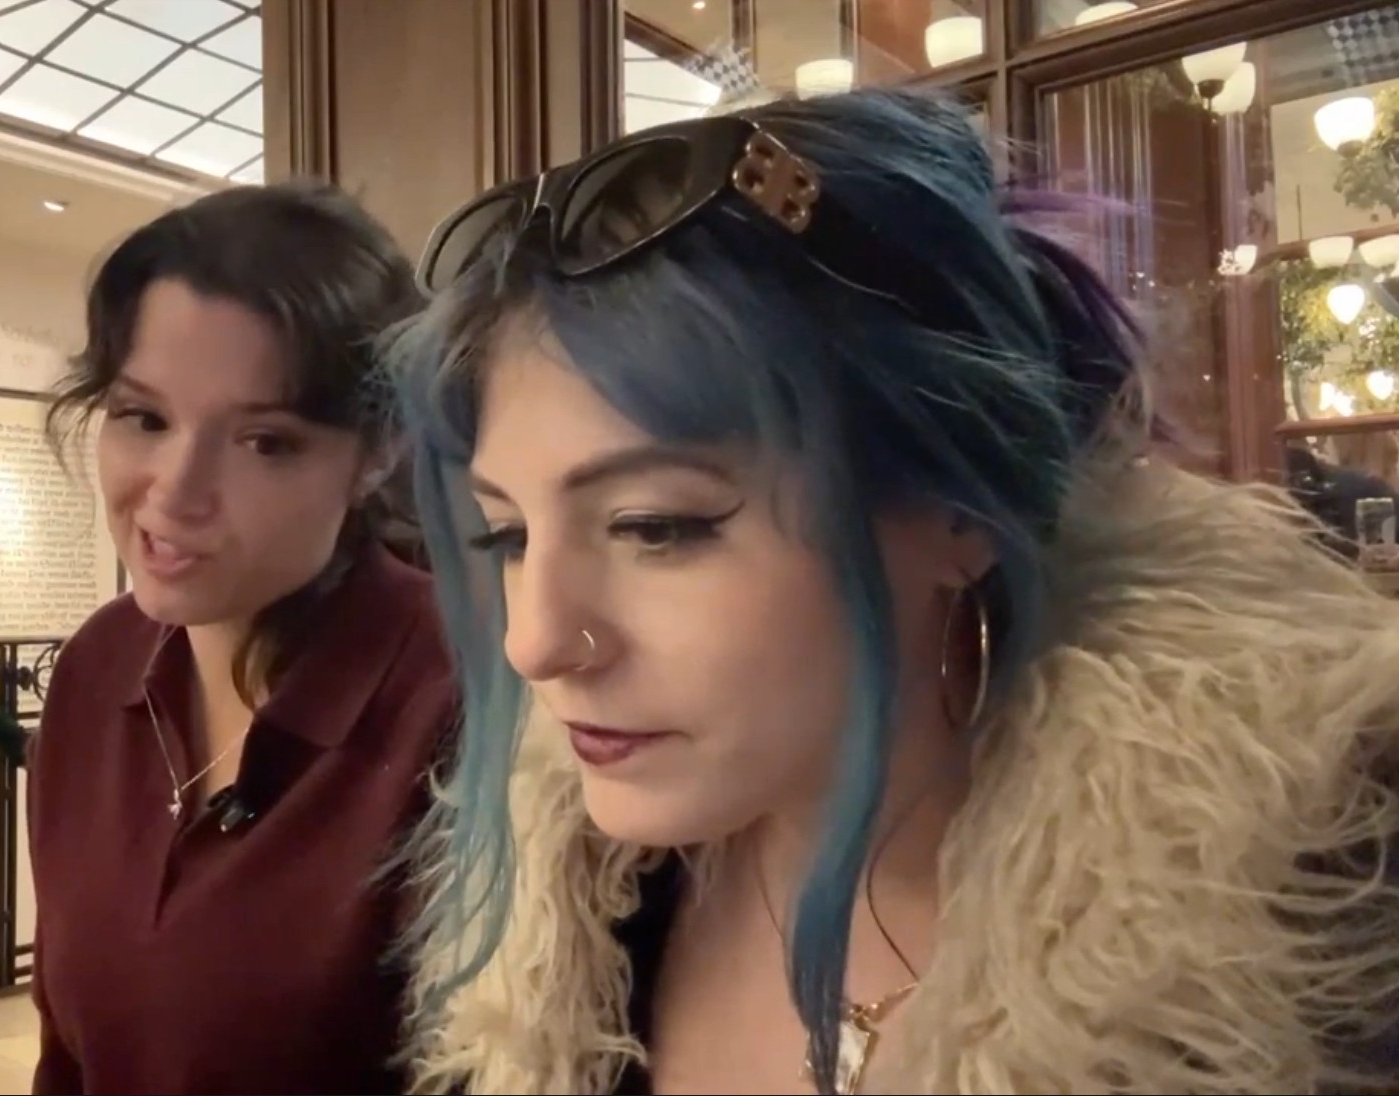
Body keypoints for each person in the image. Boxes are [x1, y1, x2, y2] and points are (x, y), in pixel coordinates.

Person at [384, 89, 1399, 1095]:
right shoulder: (573, 936)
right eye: (507, 534)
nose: (535, 641)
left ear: (960, 506)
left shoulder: (1308, 962)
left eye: (655, 526)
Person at [27, 181, 454, 1095]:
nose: (175, 492)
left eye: (264, 442)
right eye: (144, 418)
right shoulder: (99, 666)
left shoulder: (459, 701)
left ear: (376, 453)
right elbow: (67, 1053)